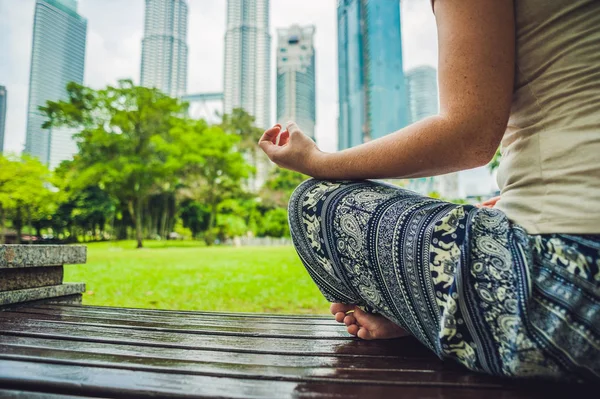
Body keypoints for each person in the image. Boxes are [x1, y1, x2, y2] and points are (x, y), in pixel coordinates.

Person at [258, 0, 599, 382]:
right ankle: (433, 315)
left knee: (316, 200)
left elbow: (468, 136)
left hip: (560, 292)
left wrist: (318, 162)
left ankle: (426, 316)